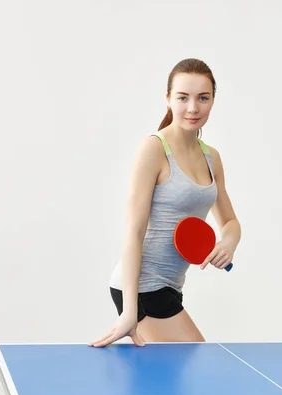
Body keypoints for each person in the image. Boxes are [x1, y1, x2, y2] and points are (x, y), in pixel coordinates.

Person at [90, 58, 241, 348]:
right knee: (200, 361)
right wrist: (130, 312)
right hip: (142, 286)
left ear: (212, 101)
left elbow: (231, 223)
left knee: (166, 384)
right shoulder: (154, 149)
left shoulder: (212, 158)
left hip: (170, 286)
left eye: (203, 98)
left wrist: (229, 243)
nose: (193, 108)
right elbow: (133, 232)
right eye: (183, 97)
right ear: (168, 99)